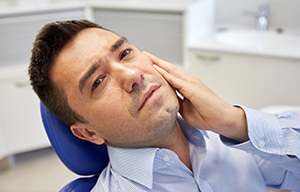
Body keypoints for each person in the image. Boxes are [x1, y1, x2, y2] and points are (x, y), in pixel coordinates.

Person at [28, 19, 300, 192]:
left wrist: (234, 122)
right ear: (89, 133)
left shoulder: (234, 139)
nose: (132, 75)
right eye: (98, 82)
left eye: (125, 54)